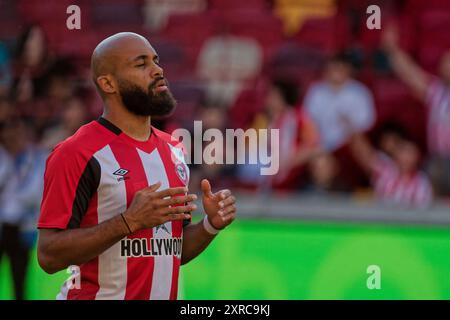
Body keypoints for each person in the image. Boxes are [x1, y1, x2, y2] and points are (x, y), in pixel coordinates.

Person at [36, 32, 237, 300]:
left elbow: (169, 251)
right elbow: (49, 256)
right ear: (108, 83)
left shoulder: (174, 151)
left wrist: (210, 225)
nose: (158, 70)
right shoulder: (76, 153)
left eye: (156, 61)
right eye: (141, 64)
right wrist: (128, 221)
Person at [382, 25, 450, 197]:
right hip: (439, 160)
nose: (446, 66)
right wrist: (393, 50)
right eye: (445, 63)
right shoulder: (437, 92)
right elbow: (410, 74)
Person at [0, 118, 47, 300]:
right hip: (3, 224)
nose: (13, 138)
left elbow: (35, 192)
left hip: (23, 227)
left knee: (20, 278)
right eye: (8, 133)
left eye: (18, 133)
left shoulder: (36, 158)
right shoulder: (4, 158)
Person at [304, 52, 375, 152]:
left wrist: (350, 124)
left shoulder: (360, 92)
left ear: (348, 71)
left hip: (349, 144)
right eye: (331, 69)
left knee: (358, 142)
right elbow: (307, 120)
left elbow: (367, 124)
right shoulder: (316, 91)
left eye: (339, 69)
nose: (334, 72)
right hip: (321, 145)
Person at [349, 124, 433, 209]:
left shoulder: (421, 182)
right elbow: (363, 153)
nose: (406, 156)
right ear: (396, 153)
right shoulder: (385, 170)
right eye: (403, 150)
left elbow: (422, 211)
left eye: (410, 152)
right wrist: (351, 126)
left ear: (417, 156)